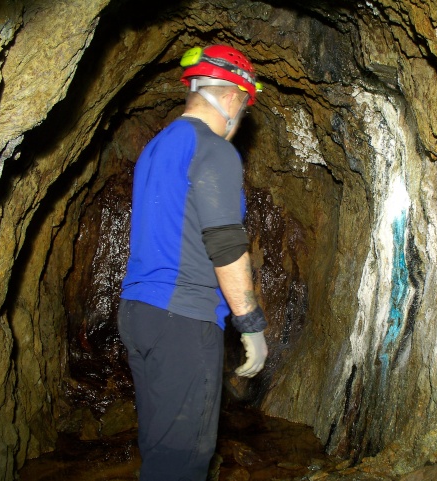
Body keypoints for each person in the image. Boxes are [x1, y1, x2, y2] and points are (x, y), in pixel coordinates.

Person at [117, 44, 268, 481]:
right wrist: (251, 323)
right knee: (183, 462)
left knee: (161, 452)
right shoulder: (214, 150)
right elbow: (224, 241)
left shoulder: (157, 147)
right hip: (183, 317)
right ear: (235, 98)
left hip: (140, 314)